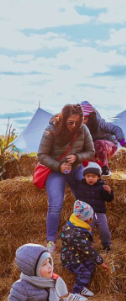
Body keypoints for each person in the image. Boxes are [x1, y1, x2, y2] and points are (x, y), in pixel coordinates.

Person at [37, 104, 95, 254]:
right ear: (64, 120)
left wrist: (77, 157)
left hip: (76, 168)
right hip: (56, 171)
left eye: (78, 122)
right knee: (55, 206)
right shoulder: (51, 129)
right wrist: (58, 166)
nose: (74, 126)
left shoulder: (83, 129)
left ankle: (87, 238)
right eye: (71, 122)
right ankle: (51, 241)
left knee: (86, 202)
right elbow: (42, 155)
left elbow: (91, 151)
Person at [59, 200, 109, 301]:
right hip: (70, 259)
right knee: (84, 272)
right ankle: (75, 293)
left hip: (77, 255)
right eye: (91, 218)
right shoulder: (76, 233)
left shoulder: (74, 225)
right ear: (87, 220)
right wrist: (101, 262)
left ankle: (82, 287)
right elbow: (88, 250)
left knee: (90, 264)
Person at [73, 162, 114, 250]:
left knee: (104, 230)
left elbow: (108, 199)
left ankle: (106, 244)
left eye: (93, 176)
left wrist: (109, 192)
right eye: (88, 176)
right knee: (88, 231)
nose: (90, 178)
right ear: (85, 177)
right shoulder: (81, 185)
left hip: (99, 213)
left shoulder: (102, 186)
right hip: (87, 214)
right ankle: (88, 246)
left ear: (98, 177)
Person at [80, 101, 126, 176]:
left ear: (91, 117)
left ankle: (105, 169)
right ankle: (92, 167)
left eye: (84, 119)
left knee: (97, 144)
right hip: (94, 148)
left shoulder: (100, 123)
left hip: (109, 147)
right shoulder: (81, 127)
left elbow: (116, 129)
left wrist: (122, 141)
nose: (82, 122)